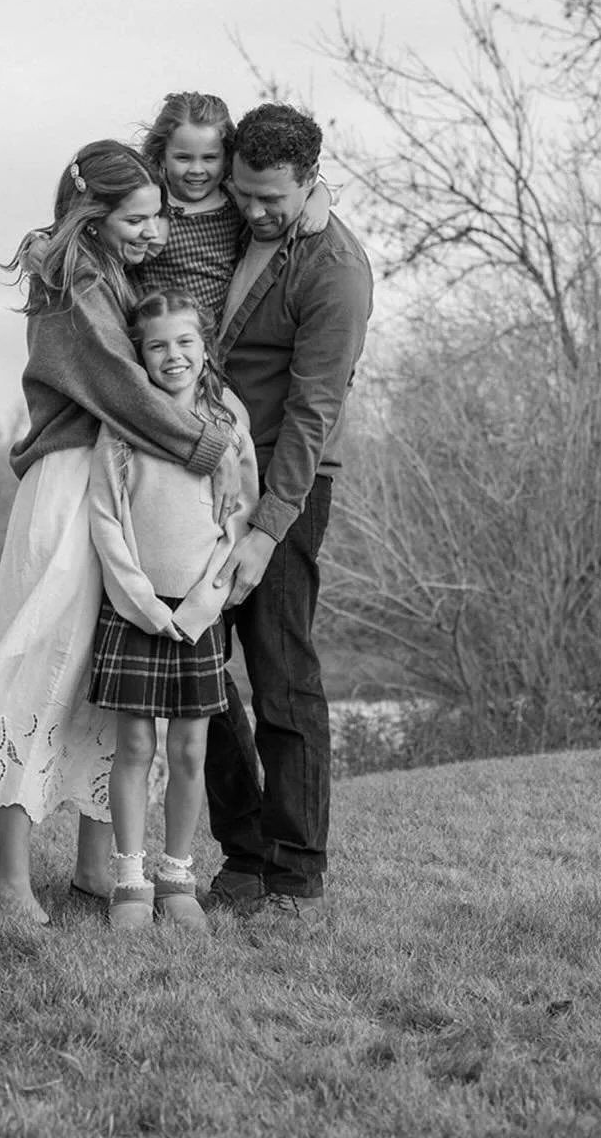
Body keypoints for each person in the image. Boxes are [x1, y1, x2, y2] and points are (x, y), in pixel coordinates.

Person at [0, 140, 242, 925]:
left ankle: (96, 869)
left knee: (101, 679)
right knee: (38, 672)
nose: (154, 232)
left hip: (116, 485)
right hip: (67, 489)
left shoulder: (110, 275)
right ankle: (12, 882)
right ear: (92, 214)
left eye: (158, 217)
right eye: (137, 218)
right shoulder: (76, 285)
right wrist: (208, 444)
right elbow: (122, 389)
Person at [205, 101, 373, 925]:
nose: (254, 210)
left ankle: (296, 871)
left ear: (310, 180)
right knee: (197, 671)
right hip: (207, 477)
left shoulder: (335, 270)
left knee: (281, 676)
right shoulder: (230, 227)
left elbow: (314, 414)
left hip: (286, 485)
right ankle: (243, 853)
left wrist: (267, 532)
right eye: (243, 192)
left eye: (271, 198)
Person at [86, 291, 259, 933]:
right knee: (134, 747)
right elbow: (105, 521)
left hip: (198, 614)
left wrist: (199, 607)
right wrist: (141, 604)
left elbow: (238, 522)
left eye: (185, 342)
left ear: (205, 347)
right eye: (157, 346)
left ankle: (177, 877)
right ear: (140, 356)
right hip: (134, 612)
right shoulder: (123, 427)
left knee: (190, 751)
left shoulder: (226, 426)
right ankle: (129, 880)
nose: (173, 356)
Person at [135, 90, 332, 325]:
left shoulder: (233, 196)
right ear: (161, 155)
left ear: (227, 157)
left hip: (215, 332)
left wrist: (321, 197)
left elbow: (300, 182)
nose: (197, 170)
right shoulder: (152, 202)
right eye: (183, 158)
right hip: (159, 328)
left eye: (210, 158)